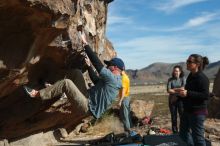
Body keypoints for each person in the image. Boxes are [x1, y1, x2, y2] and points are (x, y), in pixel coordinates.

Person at [24, 32, 124, 125]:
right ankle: (52, 84)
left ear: (115, 67)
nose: (107, 66)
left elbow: (98, 64)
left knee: (66, 83)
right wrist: (89, 66)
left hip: (88, 107)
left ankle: (37, 94)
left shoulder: (113, 80)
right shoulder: (113, 81)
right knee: (76, 73)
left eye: (109, 65)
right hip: (86, 97)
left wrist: (85, 44)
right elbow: (96, 80)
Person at [178, 54, 210, 146]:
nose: (187, 63)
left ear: (197, 64)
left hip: (198, 112)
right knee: (183, 134)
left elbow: (205, 95)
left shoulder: (202, 78)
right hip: (187, 110)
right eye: (187, 61)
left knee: (198, 139)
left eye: (189, 61)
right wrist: (182, 94)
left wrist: (187, 93)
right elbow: (190, 91)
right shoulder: (190, 76)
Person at [105, 61, 132, 134]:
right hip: (126, 97)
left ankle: (128, 131)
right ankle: (128, 130)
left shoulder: (123, 77)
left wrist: (120, 101)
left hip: (124, 98)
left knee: (125, 115)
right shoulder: (125, 76)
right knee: (126, 114)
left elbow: (123, 90)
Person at [167, 65, 185, 133]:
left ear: (180, 72)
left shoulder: (183, 79)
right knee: (173, 117)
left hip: (181, 100)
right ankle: (175, 131)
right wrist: (179, 89)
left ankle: (183, 130)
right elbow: (168, 90)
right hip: (172, 100)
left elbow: (183, 89)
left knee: (182, 116)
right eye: (174, 71)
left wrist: (174, 89)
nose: (175, 72)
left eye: (177, 71)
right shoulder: (170, 79)